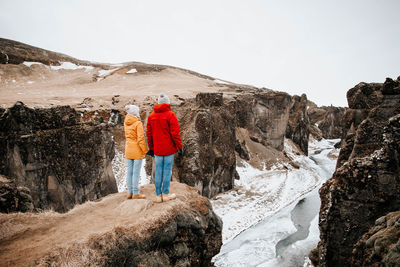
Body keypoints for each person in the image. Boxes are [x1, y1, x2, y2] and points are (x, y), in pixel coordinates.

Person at [146, 93, 183, 203]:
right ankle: (165, 194)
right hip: (169, 149)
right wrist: (179, 146)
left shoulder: (151, 116)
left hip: (157, 149)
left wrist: (152, 148)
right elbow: (175, 133)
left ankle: (158, 196)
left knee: (158, 171)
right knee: (167, 171)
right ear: (167, 103)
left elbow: (149, 134)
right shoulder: (171, 115)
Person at [124, 104, 149, 199]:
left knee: (129, 172)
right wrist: (145, 150)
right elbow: (140, 139)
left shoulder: (126, 122)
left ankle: (129, 192)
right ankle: (136, 193)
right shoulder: (138, 123)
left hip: (128, 149)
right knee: (136, 173)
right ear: (136, 112)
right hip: (137, 150)